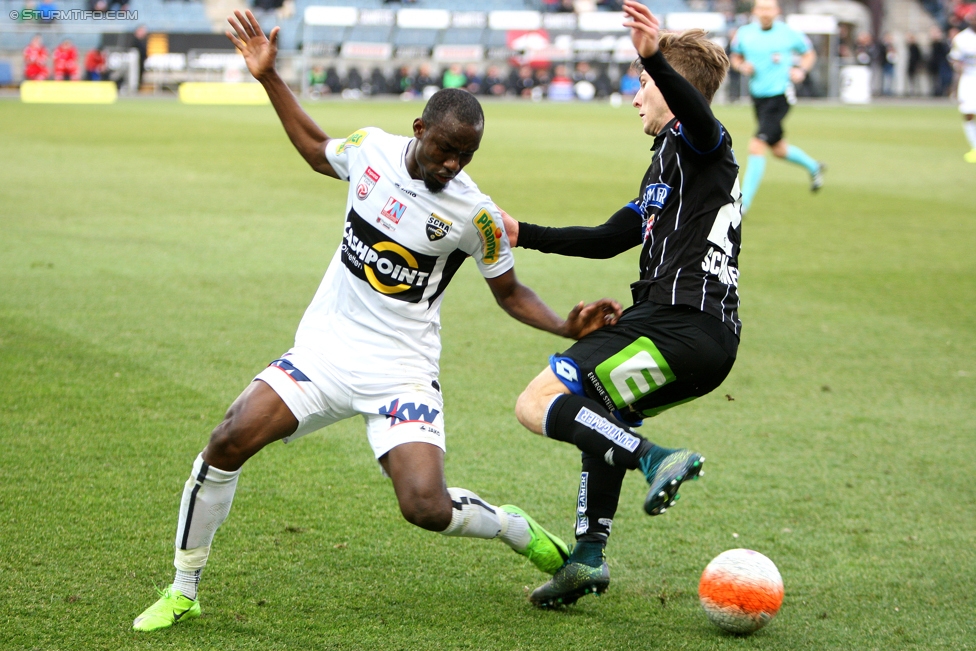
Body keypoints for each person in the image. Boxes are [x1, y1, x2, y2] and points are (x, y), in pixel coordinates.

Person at [131, 9, 622, 632]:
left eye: (466, 156)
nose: (454, 167)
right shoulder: (370, 151)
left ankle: (511, 526)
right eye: (446, 151)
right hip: (325, 352)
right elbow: (315, 150)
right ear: (419, 129)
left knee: (424, 506)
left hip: (402, 369)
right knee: (228, 439)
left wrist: (562, 326)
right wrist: (269, 79)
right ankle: (183, 586)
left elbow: (510, 292)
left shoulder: (479, 216)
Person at [503, 0, 740, 607]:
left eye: (641, 84)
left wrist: (656, 57)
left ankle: (655, 458)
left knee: (538, 403)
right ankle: (587, 558)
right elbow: (613, 237)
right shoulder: (666, 165)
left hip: (677, 321)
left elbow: (699, 117)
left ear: (670, 87)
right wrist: (522, 232)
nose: (636, 96)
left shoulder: (706, 143)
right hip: (702, 340)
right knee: (601, 413)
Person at [729, 0, 824, 215]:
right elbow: (735, 57)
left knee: (757, 145)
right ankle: (814, 167)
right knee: (778, 148)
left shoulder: (789, 33)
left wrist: (801, 70)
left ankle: (742, 206)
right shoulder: (744, 33)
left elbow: (809, 54)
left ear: (777, 11)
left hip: (781, 95)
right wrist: (743, 66)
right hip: (759, 98)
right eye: (761, 8)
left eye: (769, 8)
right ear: (754, 11)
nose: (765, 13)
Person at [949, 10, 976, 162]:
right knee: (968, 112)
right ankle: (974, 147)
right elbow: (955, 59)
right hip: (969, 78)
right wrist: (954, 86)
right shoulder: (961, 38)